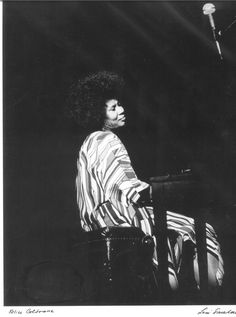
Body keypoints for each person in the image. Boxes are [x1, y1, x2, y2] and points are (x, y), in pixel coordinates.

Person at [68, 70, 224, 291]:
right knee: (202, 231)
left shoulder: (88, 143)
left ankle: (172, 284)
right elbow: (129, 190)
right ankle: (211, 299)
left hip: (97, 222)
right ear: (97, 113)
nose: (121, 110)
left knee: (173, 232)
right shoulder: (107, 139)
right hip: (120, 218)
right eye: (113, 108)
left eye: (119, 105)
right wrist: (174, 188)